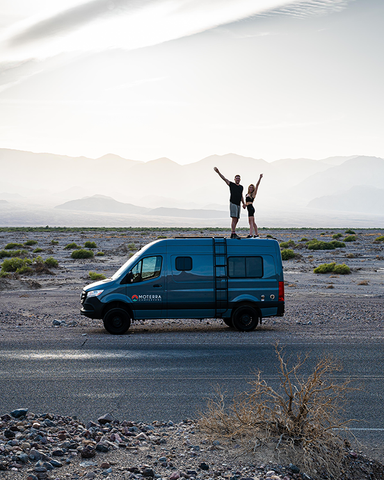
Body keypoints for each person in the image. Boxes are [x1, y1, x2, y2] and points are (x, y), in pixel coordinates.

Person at [214, 167, 245, 238]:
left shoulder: (241, 187)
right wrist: (218, 172)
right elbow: (224, 179)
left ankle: (233, 232)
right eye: (236, 178)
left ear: (240, 179)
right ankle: (233, 233)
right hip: (233, 203)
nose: (237, 179)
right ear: (234, 179)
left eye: (238, 178)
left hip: (238, 204)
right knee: (234, 218)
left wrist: (243, 203)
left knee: (237, 219)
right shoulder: (231, 184)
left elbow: (241, 195)